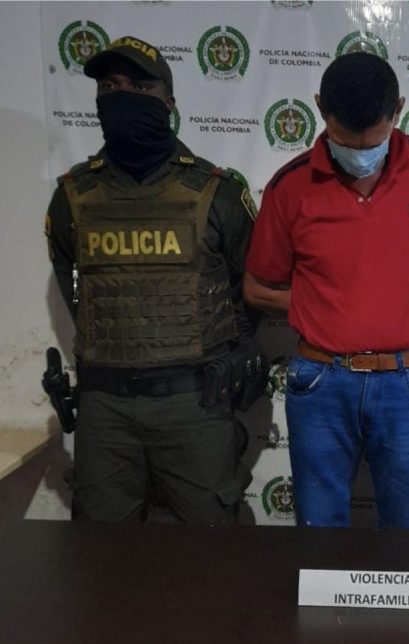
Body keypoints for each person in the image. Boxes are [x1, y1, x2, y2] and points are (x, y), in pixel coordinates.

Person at [243, 52, 409, 529]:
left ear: (399, 111)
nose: (358, 150)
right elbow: (256, 287)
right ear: (318, 108)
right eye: (343, 138)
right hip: (321, 380)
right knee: (319, 528)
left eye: (372, 138)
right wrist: (322, 302)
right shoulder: (290, 187)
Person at [44, 36, 263, 524]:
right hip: (105, 406)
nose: (123, 94)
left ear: (168, 102)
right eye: (110, 85)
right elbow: (73, 286)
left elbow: (248, 289)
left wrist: (233, 350)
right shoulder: (72, 197)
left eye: (140, 86)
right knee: (99, 562)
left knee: (210, 555)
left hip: (195, 401)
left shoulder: (216, 191)